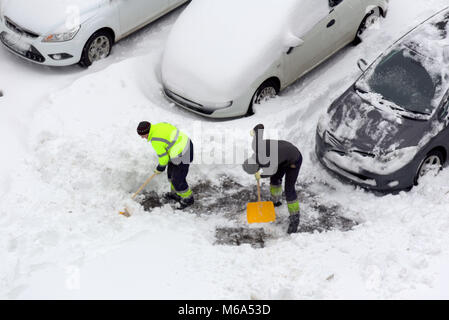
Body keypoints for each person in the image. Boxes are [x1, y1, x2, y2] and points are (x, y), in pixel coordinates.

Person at [243, 124, 303, 234]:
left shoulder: (270, 162)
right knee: (275, 180)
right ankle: (276, 202)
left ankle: (295, 219)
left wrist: (260, 176)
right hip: (283, 153)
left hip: (294, 158)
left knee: (289, 189)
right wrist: (254, 132)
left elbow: (272, 171)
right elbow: (259, 127)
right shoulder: (256, 146)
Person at [137, 121, 194, 209]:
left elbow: (164, 159)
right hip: (184, 145)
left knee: (177, 180)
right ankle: (176, 194)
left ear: (147, 133)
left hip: (183, 153)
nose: (142, 137)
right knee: (171, 176)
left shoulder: (155, 140)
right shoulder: (159, 125)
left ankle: (188, 198)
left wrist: (160, 168)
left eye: (142, 135)